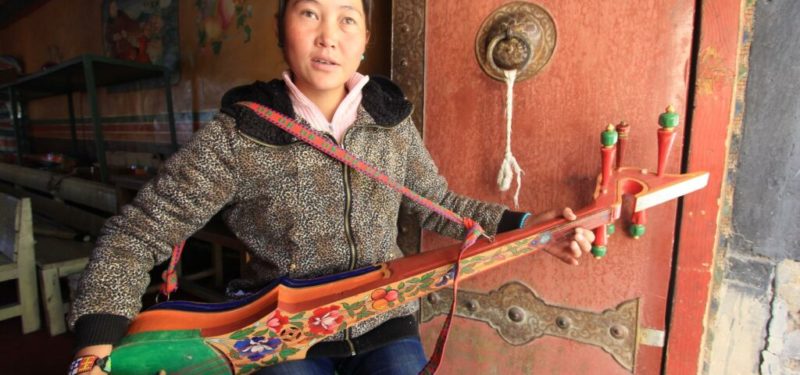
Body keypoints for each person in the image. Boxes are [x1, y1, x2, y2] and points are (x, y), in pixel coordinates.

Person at [68, 0, 595, 374]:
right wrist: (93, 349)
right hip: (279, 332)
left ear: (364, 39)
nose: (329, 35)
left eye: (348, 18)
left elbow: (443, 206)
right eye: (309, 13)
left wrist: (530, 226)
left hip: (384, 317)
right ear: (281, 29)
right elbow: (136, 236)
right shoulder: (240, 133)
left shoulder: (389, 120)